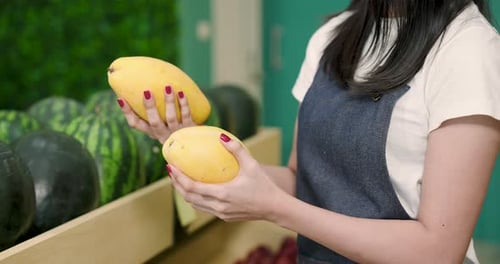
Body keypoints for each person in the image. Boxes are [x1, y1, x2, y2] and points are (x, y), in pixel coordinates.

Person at [117, 0, 500, 263]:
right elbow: (300, 180)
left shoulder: (468, 48)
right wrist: (181, 138)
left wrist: (278, 210)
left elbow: (438, 251)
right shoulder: (334, 35)